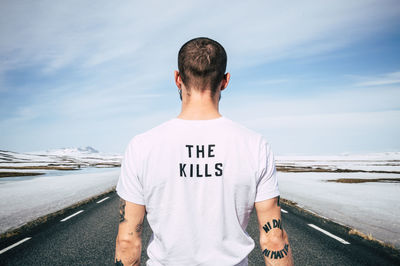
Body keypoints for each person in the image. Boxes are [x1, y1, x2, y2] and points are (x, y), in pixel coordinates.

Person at [114, 37, 294, 266]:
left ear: (178, 79)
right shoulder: (254, 145)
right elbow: (274, 239)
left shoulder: (142, 146)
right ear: (225, 81)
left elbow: (127, 242)